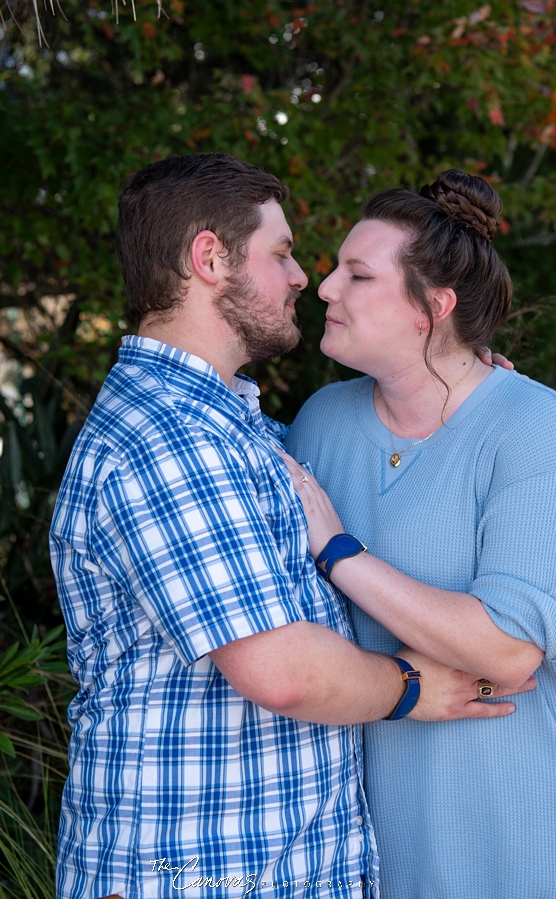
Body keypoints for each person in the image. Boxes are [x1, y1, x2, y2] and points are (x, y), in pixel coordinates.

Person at [48, 153, 531, 899]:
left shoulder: (241, 432)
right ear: (209, 258)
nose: (304, 277)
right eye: (281, 253)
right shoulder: (167, 440)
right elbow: (287, 672)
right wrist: (411, 686)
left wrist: (456, 378)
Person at [282, 169, 556, 899]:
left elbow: (509, 647)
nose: (326, 288)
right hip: (359, 863)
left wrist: (340, 553)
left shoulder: (538, 431)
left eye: (357, 275)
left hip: (515, 860)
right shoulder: (321, 422)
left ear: (434, 306)